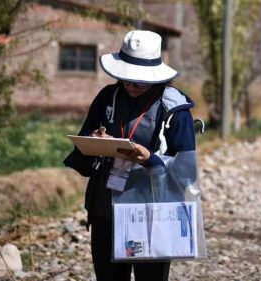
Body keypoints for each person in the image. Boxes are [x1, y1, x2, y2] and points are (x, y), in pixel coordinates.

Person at [63, 30, 197, 281]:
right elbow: (83, 152)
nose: (132, 86)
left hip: (152, 212)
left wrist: (150, 159)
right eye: (127, 78)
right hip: (106, 208)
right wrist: (95, 142)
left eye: (140, 81)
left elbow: (187, 172)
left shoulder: (175, 109)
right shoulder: (107, 97)